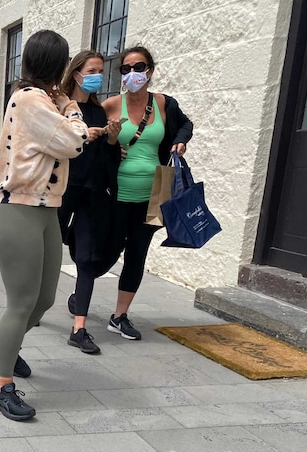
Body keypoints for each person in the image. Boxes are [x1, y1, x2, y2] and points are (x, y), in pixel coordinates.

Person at [0, 30, 88, 422]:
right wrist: (72, 106)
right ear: (58, 66)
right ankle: (1, 387)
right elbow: (74, 143)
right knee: (22, 302)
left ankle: (4, 345)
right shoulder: (30, 99)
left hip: (47, 210)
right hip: (18, 210)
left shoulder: (44, 100)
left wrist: (62, 102)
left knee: (44, 300)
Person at [101, 46, 193, 340]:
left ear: (150, 70)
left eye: (138, 67)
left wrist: (180, 142)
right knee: (107, 250)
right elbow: (95, 147)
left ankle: (119, 316)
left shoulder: (164, 104)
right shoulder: (112, 105)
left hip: (155, 193)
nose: (132, 74)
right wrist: (113, 143)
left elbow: (185, 125)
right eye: (125, 69)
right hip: (116, 194)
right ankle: (82, 292)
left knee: (137, 254)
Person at [58, 51, 123, 355]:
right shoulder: (59, 108)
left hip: (92, 193)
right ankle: (31, 309)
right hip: (60, 192)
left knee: (87, 258)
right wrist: (82, 137)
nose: (98, 75)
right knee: (44, 255)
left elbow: (108, 162)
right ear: (76, 73)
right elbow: (53, 147)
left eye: (101, 70)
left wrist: (110, 139)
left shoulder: (98, 111)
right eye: (92, 70)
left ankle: (79, 327)